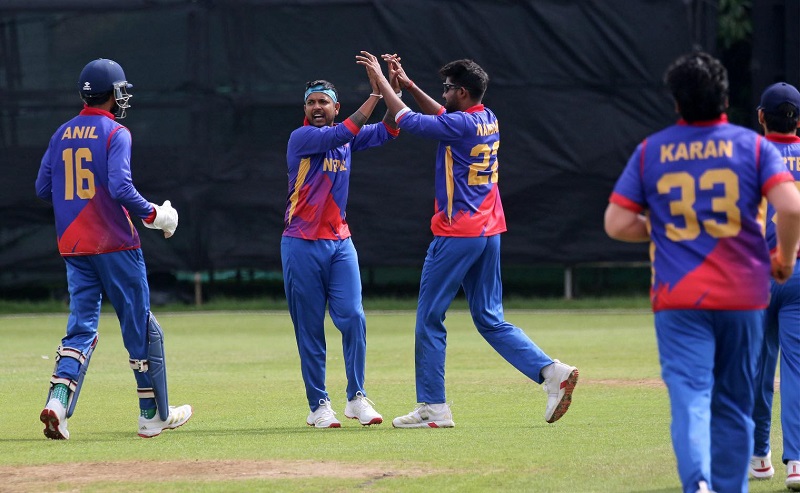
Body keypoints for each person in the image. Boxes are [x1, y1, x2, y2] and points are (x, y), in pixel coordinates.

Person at [604, 51, 800, 493]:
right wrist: (785, 260)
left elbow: (616, 223)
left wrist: (666, 227)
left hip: (680, 296)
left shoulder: (652, 150)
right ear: (726, 99)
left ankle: (698, 483)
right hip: (743, 294)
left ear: (676, 102)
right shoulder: (751, 146)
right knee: (735, 402)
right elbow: (790, 207)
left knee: (691, 398)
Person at [356, 52, 579, 428]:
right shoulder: (486, 117)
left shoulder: (460, 124)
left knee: (429, 318)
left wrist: (381, 82)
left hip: (457, 232)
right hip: (488, 231)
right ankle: (551, 372)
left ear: (461, 91)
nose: (443, 93)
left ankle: (434, 407)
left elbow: (406, 119)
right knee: (490, 318)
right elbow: (443, 117)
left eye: (447, 88)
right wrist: (409, 85)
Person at [35, 58, 193, 439]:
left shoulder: (61, 133)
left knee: (81, 329)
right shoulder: (116, 132)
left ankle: (58, 401)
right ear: (113, 94)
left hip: (74, 246)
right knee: (140, 327)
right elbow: (121, 187)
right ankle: (152, 415)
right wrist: (156, 214)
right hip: (116, 244)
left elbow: (43, 188)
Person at [281, 63, 400, 428]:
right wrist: (376, 93)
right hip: (301, 243)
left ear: (336, 107)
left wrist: (392, 92)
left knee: (353, 318)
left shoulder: (346, 137)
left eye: (324, 102)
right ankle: (318, 405)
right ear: (305, 108)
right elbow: (346, 130)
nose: (317, 107)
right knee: (310, 328)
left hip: (339, 243)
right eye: (311, 102)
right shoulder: (302, 138)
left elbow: (389, 128)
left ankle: (356, 398)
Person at [748, 82, 800, 491]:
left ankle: (759, 457)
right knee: (796, 369)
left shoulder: (747, 154)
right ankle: (796, 462)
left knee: (758, 366)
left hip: (757, 272)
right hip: (798, 271)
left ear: (761, 116)